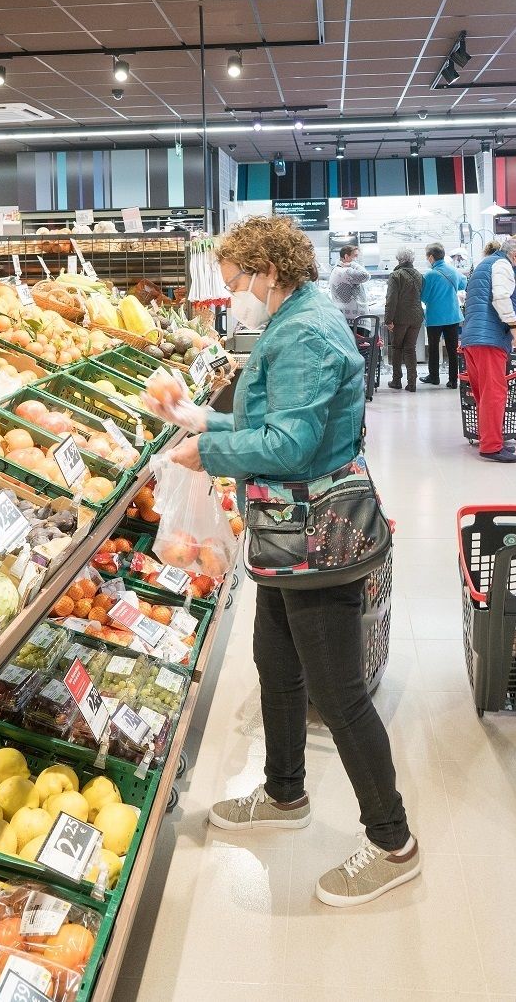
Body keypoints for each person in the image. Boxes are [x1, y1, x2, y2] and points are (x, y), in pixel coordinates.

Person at [145, 216, 419, 907]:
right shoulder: (299, 313)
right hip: (286, 534)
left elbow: (291, 444)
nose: (233, 292)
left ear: (268, 270)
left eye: (236, 279)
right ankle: (284, 790)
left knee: (338, 693)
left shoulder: (300, 329)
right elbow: (283, 420)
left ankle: (393, 842)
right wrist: (204, 422)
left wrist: (204, 453)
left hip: (316, 537)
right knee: (276, 661)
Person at [460, 236, 516, 461]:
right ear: (515, 255)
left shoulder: (484, 265)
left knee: (482, 393)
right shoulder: (502, 264)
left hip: (471, 336)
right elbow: (501, 297)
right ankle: (491, 446)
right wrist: (514, 327)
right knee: (495, 393)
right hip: (489, 339)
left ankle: (489, 437)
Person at [420, 242, 462, 388]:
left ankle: (434, 377)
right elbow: (463, 284)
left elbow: (423, 296)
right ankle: (453, 380)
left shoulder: (430, 274)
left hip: (435, 317)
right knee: (452, 349)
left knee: (433, 348)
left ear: (431, 257)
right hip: (453, 315)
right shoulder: (454, 271)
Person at [382, 247, 423, 391]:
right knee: (410, 349)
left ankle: (396, 380)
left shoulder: (396, 275)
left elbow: (391, 299)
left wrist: (388, 320)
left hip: (400, 318)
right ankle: (412, 383)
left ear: (399, 260)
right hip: (417, 317)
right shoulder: (419, 275)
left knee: (397, 348)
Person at [329, 242, 369, 321]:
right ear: (346, 257)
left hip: (346, 319)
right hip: (355, 321)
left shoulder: (336, 269)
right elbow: (366, 275)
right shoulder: (345, 271)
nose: (357, 259)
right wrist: (353, 264)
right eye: (355, 256)